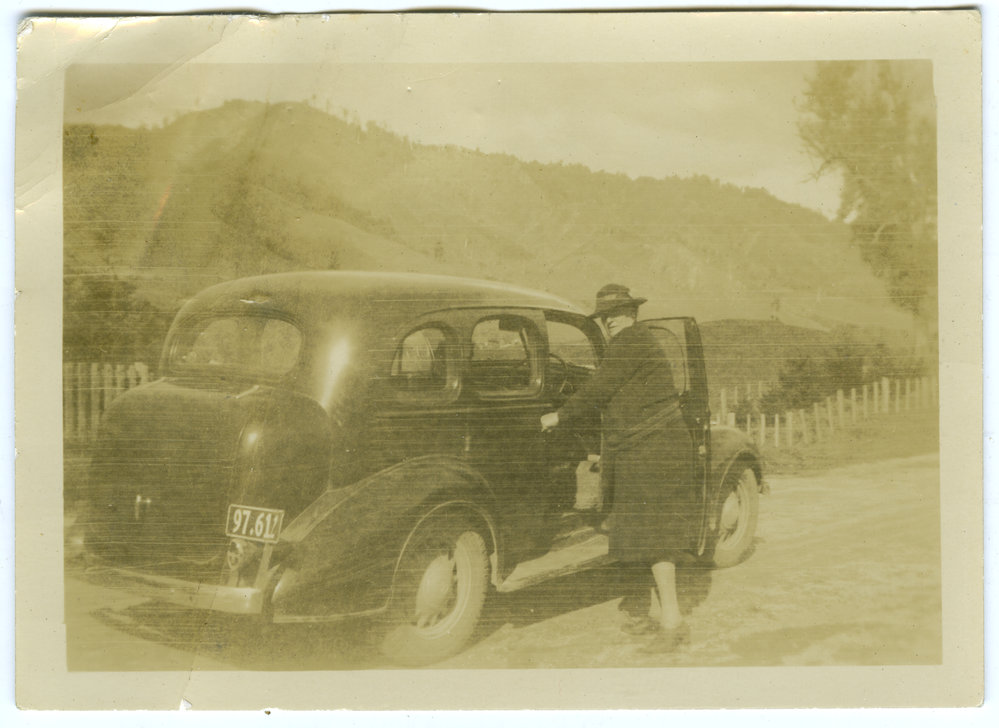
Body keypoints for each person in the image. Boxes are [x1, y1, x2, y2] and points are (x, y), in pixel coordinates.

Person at [541, 284, 698, 652]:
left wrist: (558, 416)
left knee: (657, 539)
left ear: (632, 313)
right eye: (605, 316)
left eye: (616, 313)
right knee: (646, 536)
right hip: (650, 449)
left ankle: (673, 623)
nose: (610, 320)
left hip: (655, 452)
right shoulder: (635, 341)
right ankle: (652, 613)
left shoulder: (631, 341)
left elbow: (600, 388)